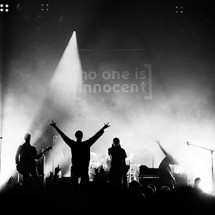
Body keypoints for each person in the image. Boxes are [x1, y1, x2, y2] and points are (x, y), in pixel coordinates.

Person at [50, 121, 110, 188]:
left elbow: (64, 136)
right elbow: (95, 137)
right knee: (84, 186)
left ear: (75, 136)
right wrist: (103, 128)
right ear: (82, 136)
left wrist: (55, 127)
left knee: (73, 185)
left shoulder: (73, 144)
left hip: (75, 168)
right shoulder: (86, 144)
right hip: (84, 168)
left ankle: (72, 195)